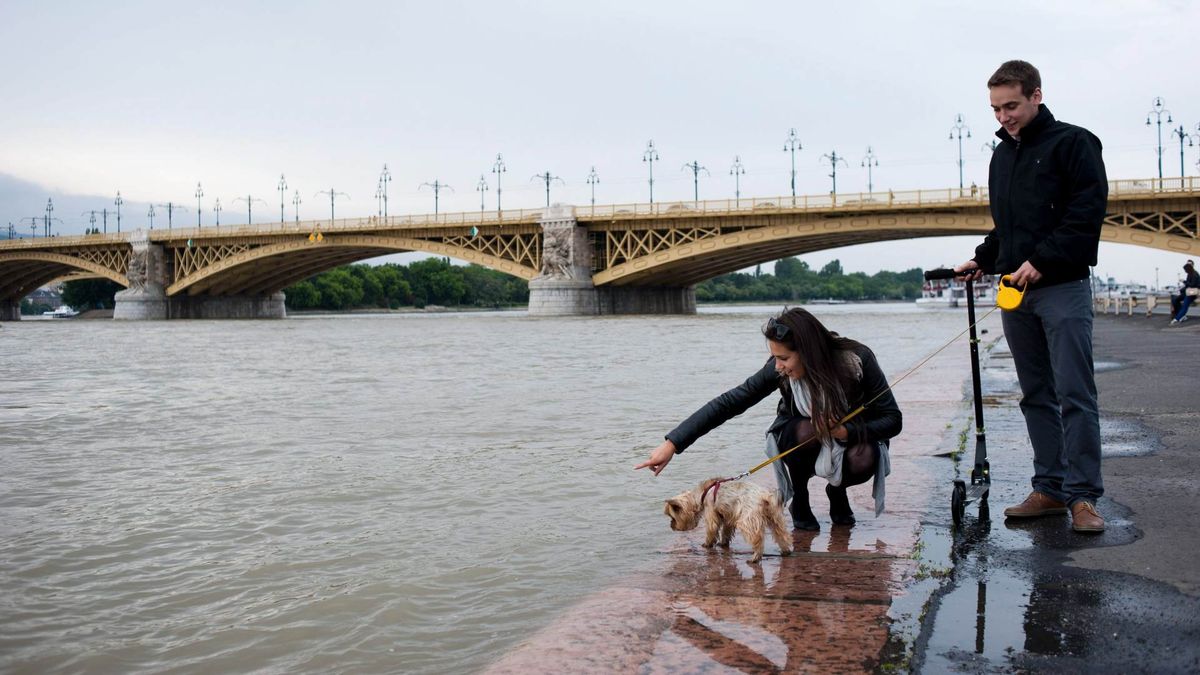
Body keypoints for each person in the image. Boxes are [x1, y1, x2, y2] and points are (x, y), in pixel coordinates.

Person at [953, 60, 1108, 533]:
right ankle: (1050, 490)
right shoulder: (1003, 155)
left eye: (1012, 105)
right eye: (996, 108)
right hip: (1015, 294)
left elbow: (1086, 212)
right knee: (1035, 394)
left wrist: (1043, 260)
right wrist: (984, 257)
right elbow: (1011, 226)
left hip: (1061, 288)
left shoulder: (1075, 143)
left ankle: (1084, 498)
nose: (1004, 116)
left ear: (1036, 96)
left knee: (1074, 394)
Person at [634, 308, 902, 530]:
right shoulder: (779, 370)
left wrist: (846, 431)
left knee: (863, 457)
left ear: (809, 352)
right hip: (800, 435)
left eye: (784, 358)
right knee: (806, 430)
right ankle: (800, 494)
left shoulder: (858, 360)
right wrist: (672, 444)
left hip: (849, 439)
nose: (777, 366)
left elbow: (893, 420)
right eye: (774, 357)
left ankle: (837, 490)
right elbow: (730, 402)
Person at [1169, 260, 1199, 325]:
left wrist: (1184, 281)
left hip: (1192, 293)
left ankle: (1177, 318)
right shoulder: (1190, 274)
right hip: (1188, 291)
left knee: (1185, 305)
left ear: (1192, 265)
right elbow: (1187, 285)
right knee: (1175, 299)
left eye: (1189, 264)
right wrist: (1180, 290)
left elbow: (1192, 285)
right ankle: (1182, 315)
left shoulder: (1195, 274)